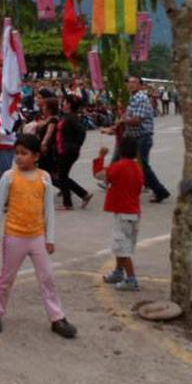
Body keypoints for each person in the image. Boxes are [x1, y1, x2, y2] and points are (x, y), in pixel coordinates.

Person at [0, 134, 76, 338]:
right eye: (17, 153)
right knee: (6, 278)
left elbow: (49, 210)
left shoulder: (44, 178)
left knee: (48, 277)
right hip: (15, 235)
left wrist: (50, 238)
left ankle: (57, 318)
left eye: (24, 153)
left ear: (36, 156)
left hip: (37, 237)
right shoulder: (8, 177)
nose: (19, 157)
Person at [94, 136, 145, 291]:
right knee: (122, 245)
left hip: (123, 212)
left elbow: (98, 174)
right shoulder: (138, 168)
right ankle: (118, 272)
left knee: (123, 248)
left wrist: (101, 156)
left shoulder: (120, 166)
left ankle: (131, 279)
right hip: (133, 211)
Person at [119, 76, 170, 203]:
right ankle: (151, 189)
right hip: (134, 137)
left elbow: (137, 120)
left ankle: (160, 191)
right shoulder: (133, 97)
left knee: (143, 167)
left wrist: (123, 120)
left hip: (142, 137)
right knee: (137, 166)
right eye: (129, 82)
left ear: (141, 85)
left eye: (134, 82)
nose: (131, 85)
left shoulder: (141, 98)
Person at [55, 94, 93, 210]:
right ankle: (83, 195)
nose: (62, 104)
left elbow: (82, 131)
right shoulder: (67, 116)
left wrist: (76, 145)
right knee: (62, 176)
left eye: (65, 102)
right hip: (64, 149)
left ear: (69, 105)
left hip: (68, 151)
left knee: (62, 176)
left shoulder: (72, 118)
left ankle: (68, 203)